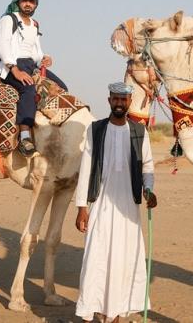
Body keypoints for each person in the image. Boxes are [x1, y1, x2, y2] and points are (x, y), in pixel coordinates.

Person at [74, 82, 158, 323]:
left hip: (128, 209)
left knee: (124, 259)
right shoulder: (96, 129)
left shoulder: (139, 132)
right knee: (96, 258)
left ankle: (115, 314)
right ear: (109, 100)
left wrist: (149, 189)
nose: (119, 103)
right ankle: (93, 311)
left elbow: (148, 166)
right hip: (100, 204)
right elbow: (86, 168)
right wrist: (82, 208)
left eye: (124, 99)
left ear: (129, 102)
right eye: (115, 99)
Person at [0, 0, 67, 156]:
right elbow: (3, 46)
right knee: (28, 89)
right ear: (19, 1)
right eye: (24, 0)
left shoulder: (34, 25)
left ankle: (48, 129)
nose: (28, 4)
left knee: (61, 87)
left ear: (36, 4)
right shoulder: (8, 20)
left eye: (31, 1)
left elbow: (35, 52)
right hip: (11, 64)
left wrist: (44, 58)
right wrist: (14, 69)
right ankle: (25, 136)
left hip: (30, 65)